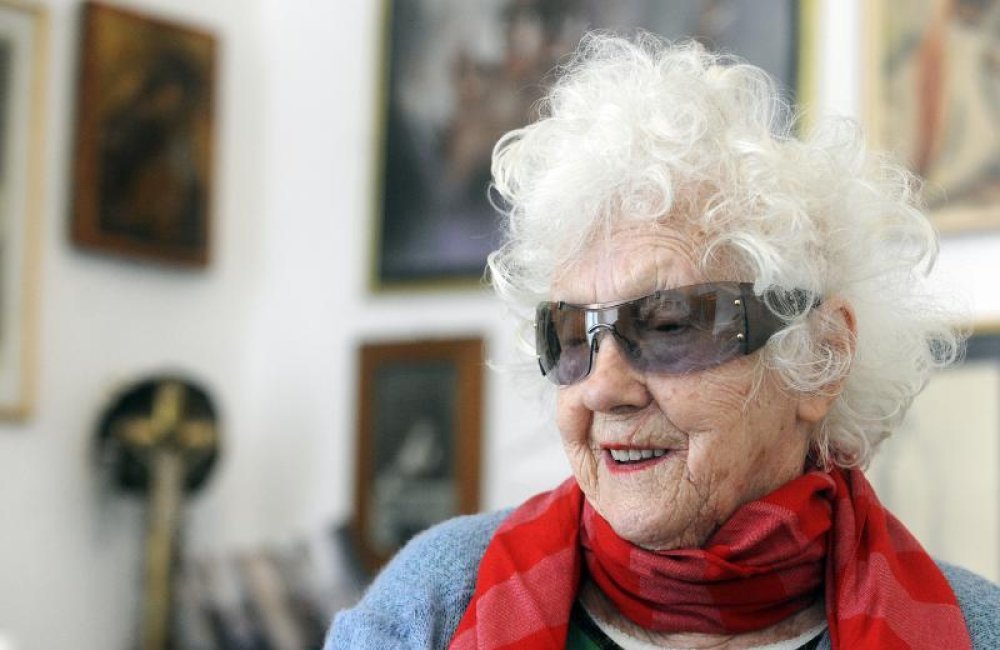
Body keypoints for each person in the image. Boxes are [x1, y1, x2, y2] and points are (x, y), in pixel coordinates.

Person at [329, 34, 1000, 649]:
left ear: (822, 358)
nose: (602, 388)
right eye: (572, 334)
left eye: (672, 324)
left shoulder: (975, 630)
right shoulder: (432, 605)